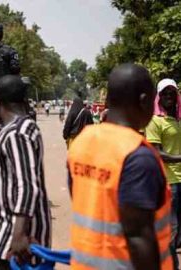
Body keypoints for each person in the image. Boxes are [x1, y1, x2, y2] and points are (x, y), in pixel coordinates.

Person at [68, 64, 172, 270]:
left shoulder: (82, 142)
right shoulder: (138, 156)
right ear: (144, 101)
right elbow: (139, 238)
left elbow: (82, 197)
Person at [0, 75, 51, 270]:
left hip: (20, 243)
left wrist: (18, 235)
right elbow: (4, 136)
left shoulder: (17, 134)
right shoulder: (21, 128)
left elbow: (27, 186)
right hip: (19, 237)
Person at [145, 78, 181, 269]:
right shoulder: (155, 121)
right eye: (165, 93)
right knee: (171, 230)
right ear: (158, 97)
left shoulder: (176, 119)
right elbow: (156, 152)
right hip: (170, 182)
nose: (169, 97)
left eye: (172, 93)